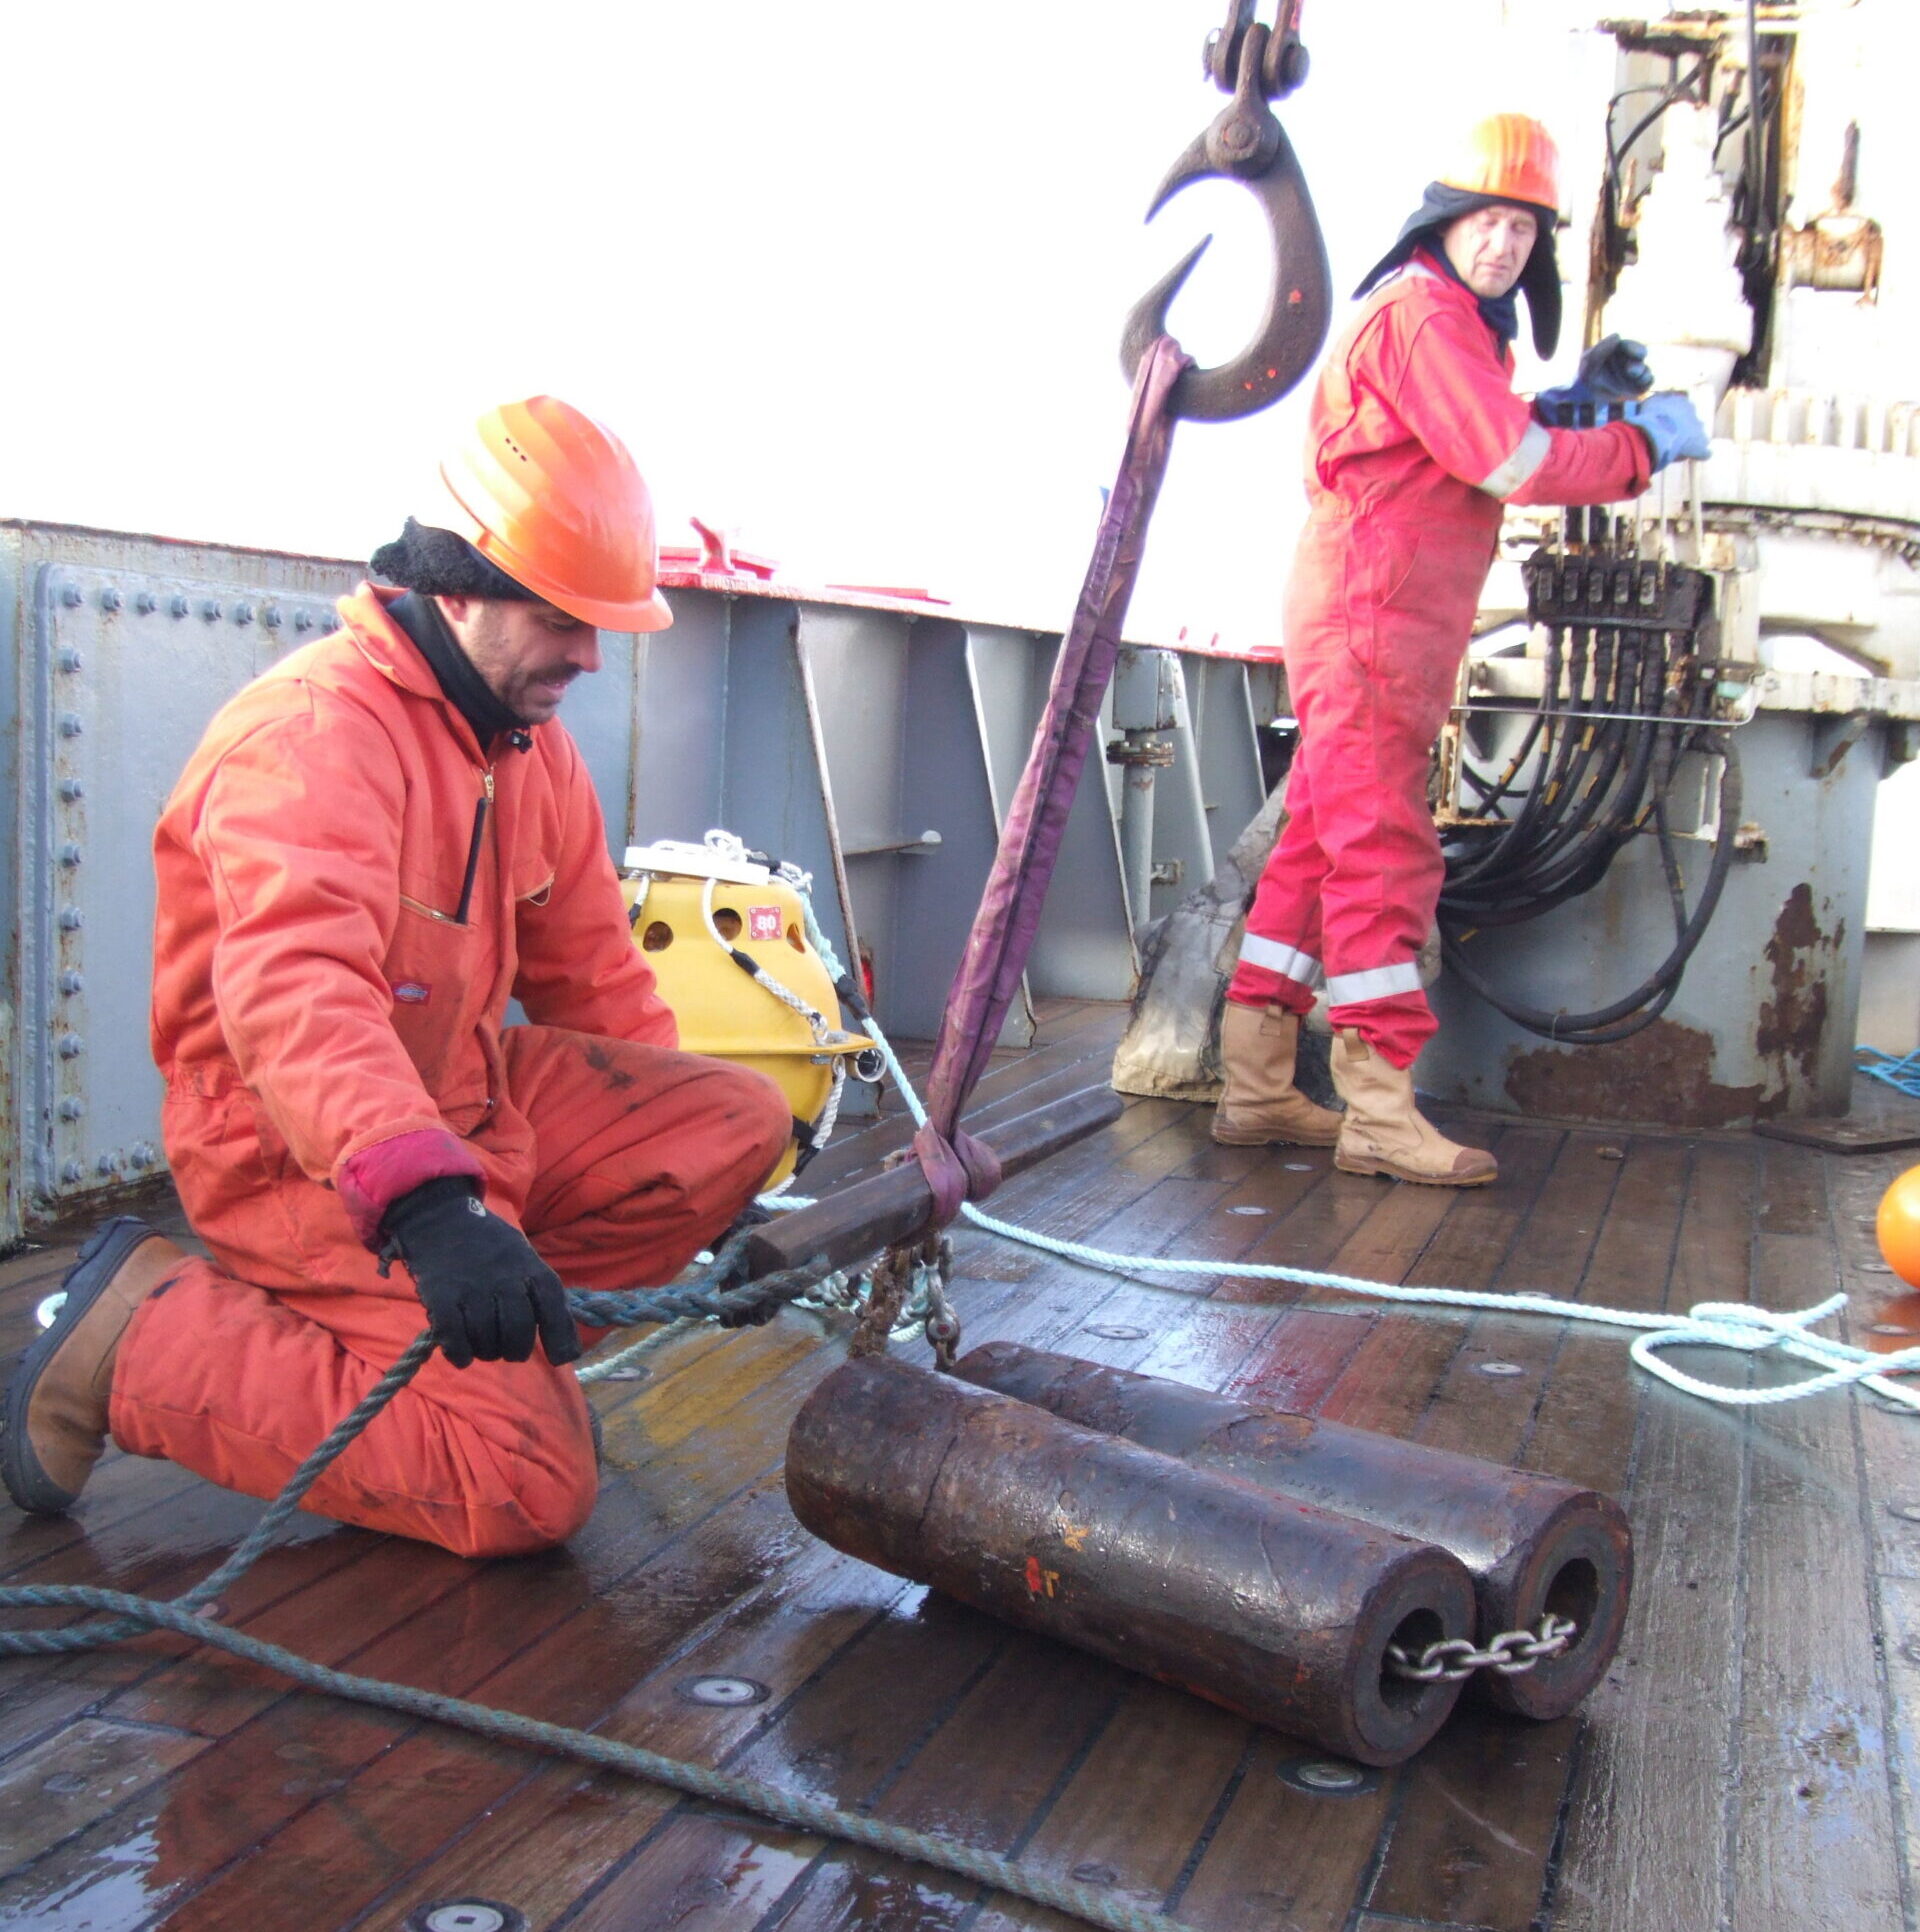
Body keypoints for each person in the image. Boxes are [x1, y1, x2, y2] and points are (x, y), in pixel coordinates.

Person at [2, 397, 791, 1557]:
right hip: (293, 1149)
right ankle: (136, 1338)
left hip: (466, 1109)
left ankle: (468, 1339)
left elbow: (598, 984)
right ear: (457, 586)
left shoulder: (527, 751)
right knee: (523, 1488)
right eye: (560, 618)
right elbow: (297, 997)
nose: (588, 655)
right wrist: (433, 1207)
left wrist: (716, 1223)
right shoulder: (313, 735)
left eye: (603, 624)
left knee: (737, 1120)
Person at [1213, 113, 1711, 1186]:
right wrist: (1637, 444)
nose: (1503, 246)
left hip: (1382, 617)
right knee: (1384, 849)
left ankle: (1254, 1087)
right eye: (1488, 221)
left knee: (1316, 844)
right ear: (1443, 222)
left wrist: (1574, 401)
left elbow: (1485, 431)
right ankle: (1380, 1109)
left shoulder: (1445, 326)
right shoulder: (1426, 318)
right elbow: (1510, 460)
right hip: (1373, 619)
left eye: (1525, 231)